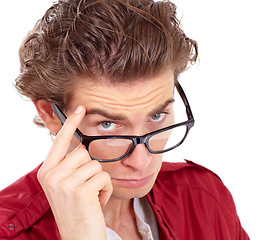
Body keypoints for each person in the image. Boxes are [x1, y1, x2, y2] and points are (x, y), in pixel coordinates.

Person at [0, 0, 249, 239]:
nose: (141, 162)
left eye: (156, 116)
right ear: (50, 113)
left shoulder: (204, 196)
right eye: (107, 125)